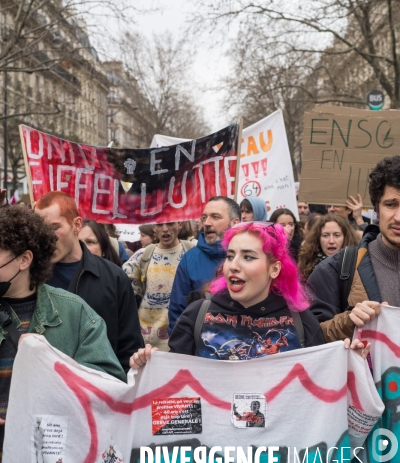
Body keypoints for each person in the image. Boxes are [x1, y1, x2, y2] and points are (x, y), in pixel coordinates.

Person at [131, 222, 368, 367]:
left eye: (248, 256)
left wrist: (348, 364)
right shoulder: (197, 316)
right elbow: (174, 387)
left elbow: (320, 388)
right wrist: (147, 367)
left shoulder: (302, 322)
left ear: (274, 268)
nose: (234, 265)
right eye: (230, 255)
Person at [0, 206, 126, 457]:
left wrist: (54, 367)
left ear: (24, 260)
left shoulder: (75, 314)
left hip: (51, 458)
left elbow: (109, 387)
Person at [35, 191, 143, 373]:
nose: (46, 237)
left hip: (102, 388)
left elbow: (129, 347)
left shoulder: (113, 277)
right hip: (48, 388)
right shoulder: (31, 276)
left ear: (76, 225)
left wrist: (120, 390)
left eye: (54, 228)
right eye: (40, 230)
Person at [308, 156, 400, 342]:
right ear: (376, 208)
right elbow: (308, 337)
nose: (398, 217)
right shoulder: (336, 269)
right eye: (391, 205)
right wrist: (348, 322)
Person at [168, 196, 241, 333]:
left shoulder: (252, 258)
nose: (207, 223)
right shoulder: (190, 259)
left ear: (234, 223)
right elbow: (178, 313)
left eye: (215, 217)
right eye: (204, 217)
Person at [123, 222, 194, 351]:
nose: (165, 229)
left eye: (170, 224)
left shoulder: (192, 252)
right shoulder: (142, 256)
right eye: (160, 225)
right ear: (154, 227)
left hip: (182, 342)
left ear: (180, 224)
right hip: (147, 345)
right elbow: (123, 292)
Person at [298, 214, 359, 279]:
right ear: (318, 238)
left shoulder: (356, 265)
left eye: (336, 235)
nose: (331, 241)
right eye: (325, 235)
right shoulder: (307, 264)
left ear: (345, 238)